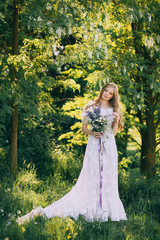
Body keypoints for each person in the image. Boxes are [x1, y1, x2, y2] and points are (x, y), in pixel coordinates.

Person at [17, 82, 127, 224]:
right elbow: (84, 129)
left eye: (110, 93)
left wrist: (117, 121)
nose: (107, 94)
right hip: (94, 144)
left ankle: (107, 208)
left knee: (107, 176)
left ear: (113, 96)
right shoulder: (91, 108)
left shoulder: (113, 110)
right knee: (92, 174)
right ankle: (92, 206)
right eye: (105, 90)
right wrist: (92, 132)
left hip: (109, 146)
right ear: (102, 91)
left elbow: (113, 133)